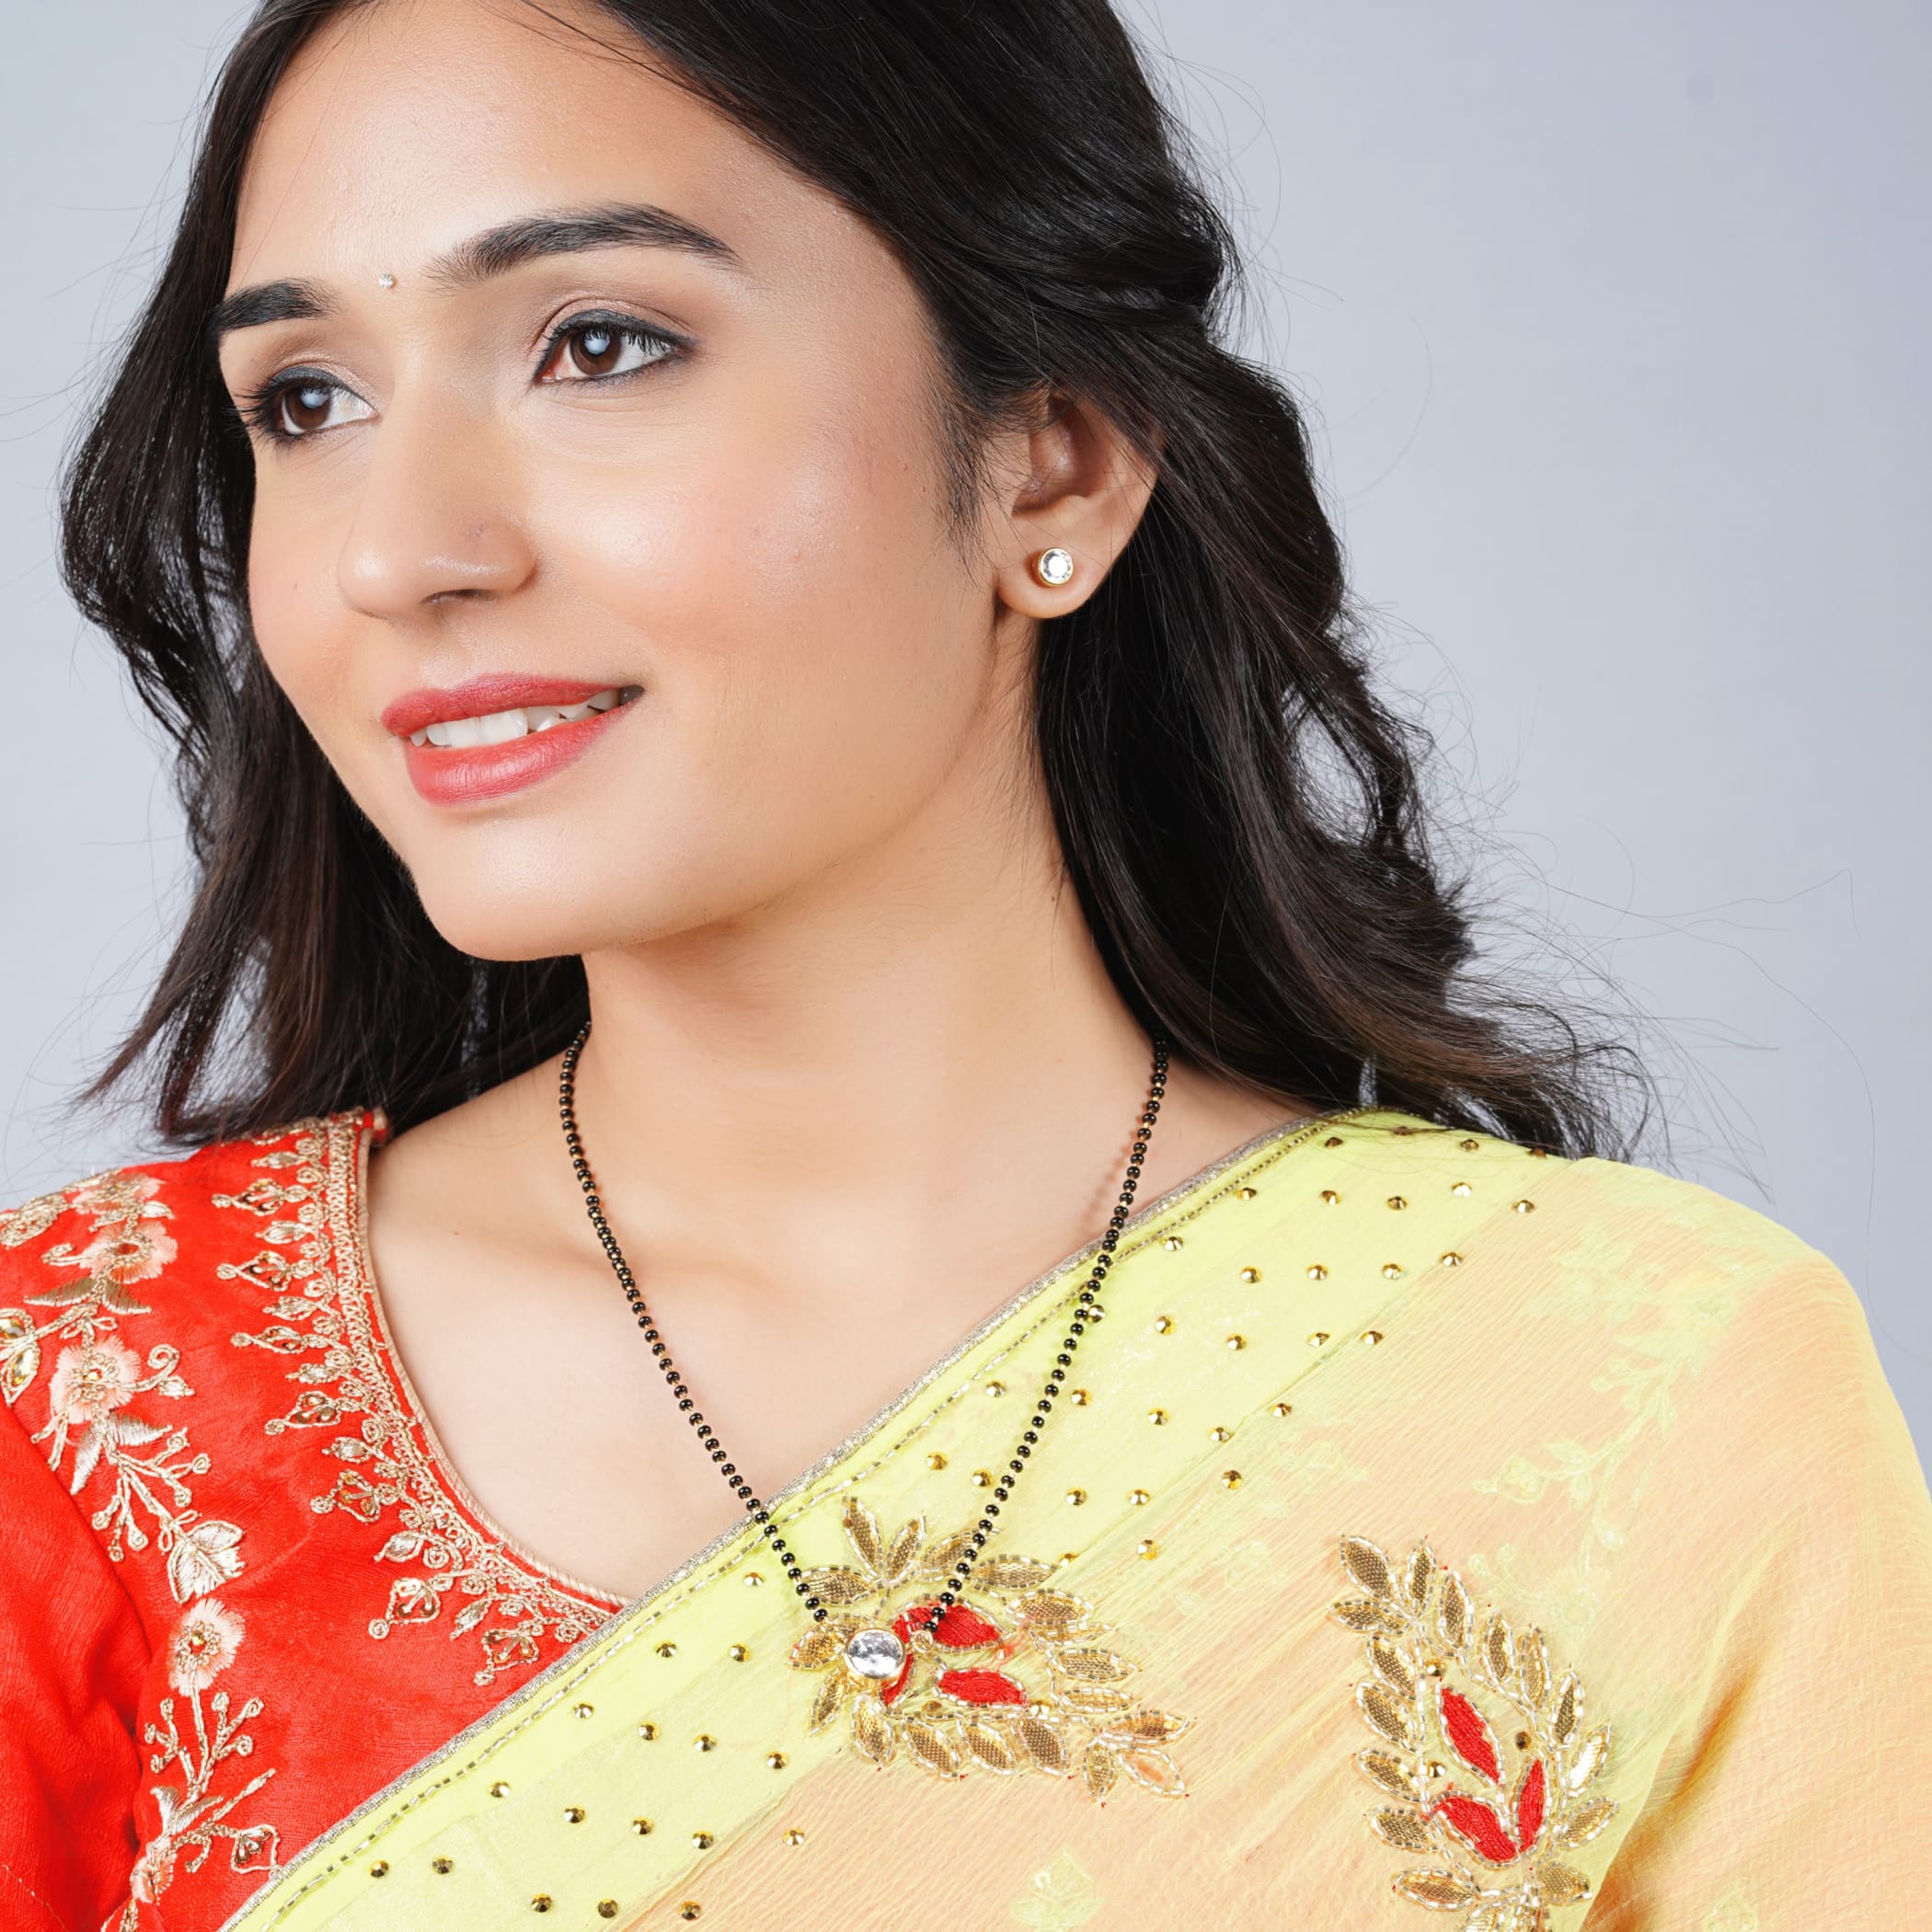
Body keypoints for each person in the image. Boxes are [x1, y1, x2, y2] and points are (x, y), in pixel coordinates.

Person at [5, 0, 1928, 1926]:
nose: (396, 552)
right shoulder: (80, 1419)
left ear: (1055, 468)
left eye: (600, 346)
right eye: (305, 404)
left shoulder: (1635, 1390)